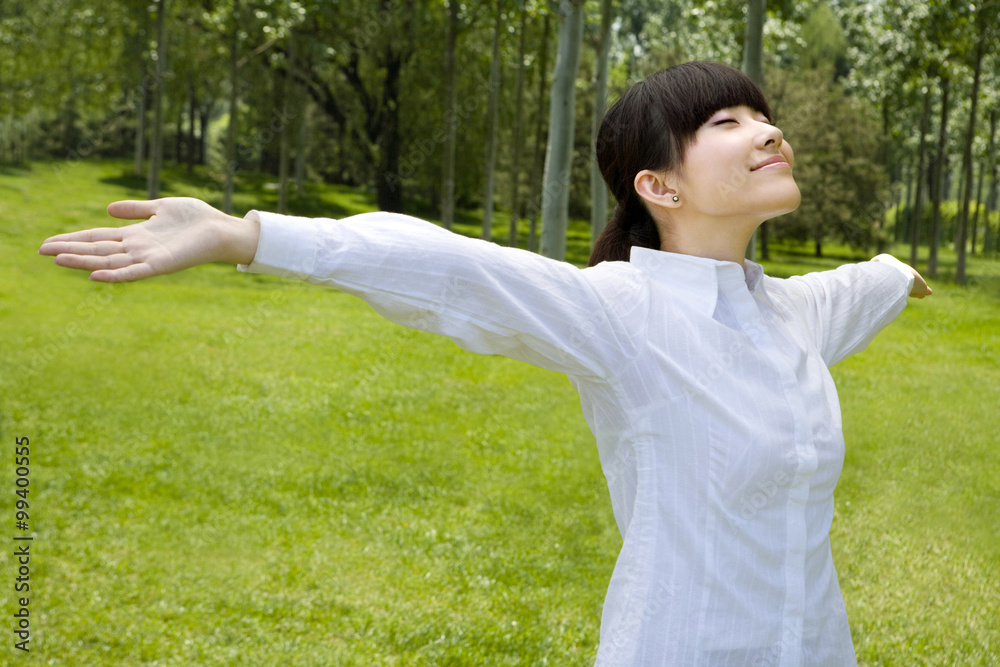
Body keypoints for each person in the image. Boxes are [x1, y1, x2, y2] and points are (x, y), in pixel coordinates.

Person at [39, 61, 930, 666]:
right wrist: (247, 235)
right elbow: (453, 266)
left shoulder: (795, 314)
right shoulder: (623, 315)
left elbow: (871, 281)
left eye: (764, 114)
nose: (767, 130)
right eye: (728, 122)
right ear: (658, 187)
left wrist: (902, 274)